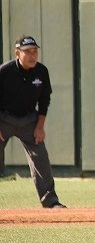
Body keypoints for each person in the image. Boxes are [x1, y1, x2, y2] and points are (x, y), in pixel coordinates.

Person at [0, 36, 66, 208]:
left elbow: (44, 101)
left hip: (29, 120)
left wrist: (40, 127)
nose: (32, 56)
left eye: (35, 51)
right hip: (3, 119)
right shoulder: (5, 71)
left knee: (41, 157)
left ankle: (50, 202)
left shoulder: (41, 71)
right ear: (17, 54)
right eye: (27, 52)